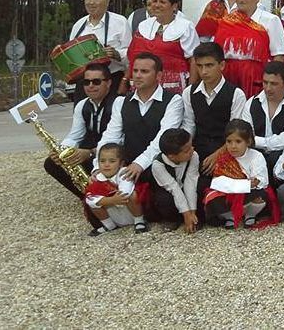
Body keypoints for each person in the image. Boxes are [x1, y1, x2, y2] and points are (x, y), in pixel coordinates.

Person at [95, 52, 184, 182]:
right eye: (135, 70)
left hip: (160, 169)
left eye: (144, 71)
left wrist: (139, 164)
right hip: (126, 168)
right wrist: (98, 166)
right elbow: (110, 137)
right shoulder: (121, 102)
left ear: (158, 75)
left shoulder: (173, 101)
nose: (137, 75)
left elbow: (163, 137)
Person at [50, 62, 120, 203]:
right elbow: (75, 135)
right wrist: (61, 151)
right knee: (52, 163)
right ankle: (88, 197)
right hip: (93, 151)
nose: (90, 86)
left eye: (96, 81)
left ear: (109, 83)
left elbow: (120, 139)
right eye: (86, 82)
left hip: (114, 154)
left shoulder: (119, 103)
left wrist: (90, 152)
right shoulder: (82, 105)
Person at [213, 0, 284, 97]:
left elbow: (278, 55)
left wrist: (271, 83)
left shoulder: (270, 20)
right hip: (228, 79)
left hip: (256, 80)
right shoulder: (226, 21)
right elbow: (217, 53)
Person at [204, 119, 278, 229]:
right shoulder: (223, 158)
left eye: (238, 142)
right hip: (231, 193)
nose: (233, 146)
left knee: (261, 194)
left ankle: (250, 215)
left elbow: (262, 181)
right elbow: (217, 183)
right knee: (212, 199)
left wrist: (250, 184)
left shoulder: (256, 156)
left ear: (248, 142)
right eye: (229, 142)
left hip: (249, 194)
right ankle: (230, 216)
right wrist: (245, 185)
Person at [180, 42, 246, 164]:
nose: (204, 71)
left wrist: (217, 156)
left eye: (209, 65)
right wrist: (184, 149)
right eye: (199, 66)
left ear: (221, 65)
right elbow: (189, 125)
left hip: (227, 151)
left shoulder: (236, 94)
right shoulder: (188, 92)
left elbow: (236, 132)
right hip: (196, 151)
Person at [127, 0, 199, 94]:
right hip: (143, 83)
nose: (157, 5)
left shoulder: (185, 26)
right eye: (155, 1)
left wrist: (191, 89)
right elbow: (132, 57)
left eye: (162, 2)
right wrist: (125, 80)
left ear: (174, 6)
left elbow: (193, 59)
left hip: (173, 85)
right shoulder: (143, 26)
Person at [239, 61, 284, 176]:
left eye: (274, 84)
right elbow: (244, 135)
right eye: (265, 82)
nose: (268, 88)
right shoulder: (251, 103)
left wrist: (257, 141)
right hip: (254, 156)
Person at [69, 0, 132, 99]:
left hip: (112, 80)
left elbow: (131, 54)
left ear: (107, 1)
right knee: (83, 114)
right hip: (85, 82)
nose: (91, 2)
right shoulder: (78, 25)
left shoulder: (120, 22)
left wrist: (117, 54)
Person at [84, 143, 149, 235]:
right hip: (114, 214)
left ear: (121, 163)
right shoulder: (97, 178)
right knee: (92, 202)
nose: (106, 165)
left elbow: (125, 191)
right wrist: (111, 200)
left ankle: (139, 221)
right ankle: (109, 225)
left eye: (112, 161)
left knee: (133, 195)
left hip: (130, 210)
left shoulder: (124, 172)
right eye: (102, 161)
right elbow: (90, 199)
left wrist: (111, 198)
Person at [151, 128, 201, 232]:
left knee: (201, 187)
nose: (192, 149)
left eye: (191, 145)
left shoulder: (194, 155)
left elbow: (190, 182)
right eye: (187, 150)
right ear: (172, 157)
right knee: (163, 199)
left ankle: (195, 219)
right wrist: (186, 213)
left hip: (187, 188)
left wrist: (192, 211)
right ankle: (172, 219)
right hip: (170, 191)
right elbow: (174, 188)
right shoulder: (158, 165)